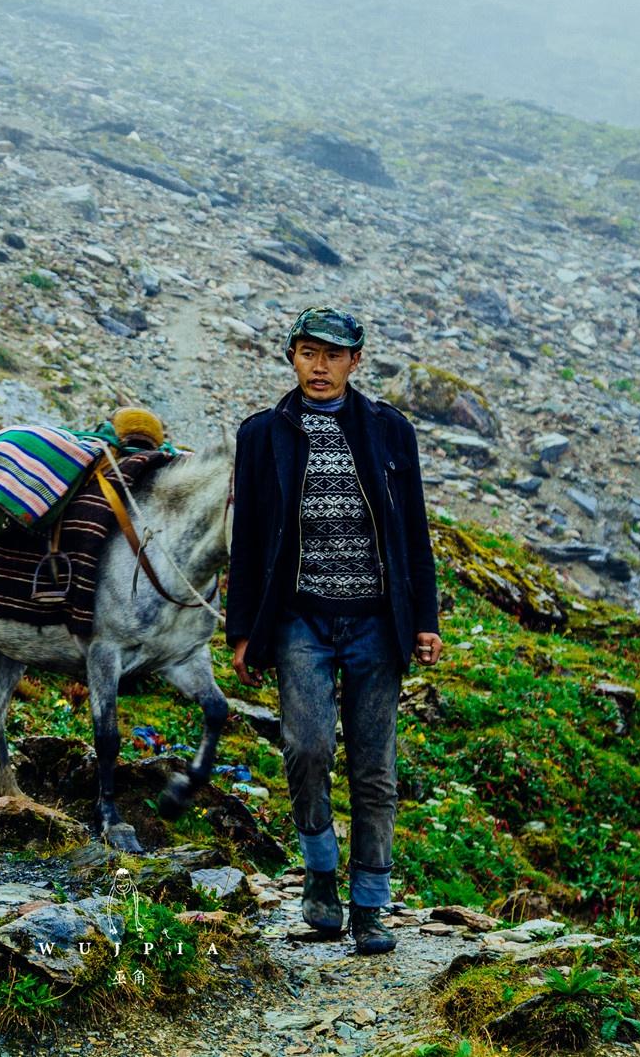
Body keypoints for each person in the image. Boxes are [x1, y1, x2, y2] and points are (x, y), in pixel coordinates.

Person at [226, 306, 443, 955]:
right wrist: (243, 629)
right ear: (292, 357)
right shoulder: (262, 434)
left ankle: (370, 907)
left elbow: (413, 532)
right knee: (309, 747)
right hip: (301, 619)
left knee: (374, 768)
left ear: (356, 361)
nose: (319, 367)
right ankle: (321, 877)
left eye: (333, 354)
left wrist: (425, 619)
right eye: (307, 353)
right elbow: (250, 540)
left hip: (377, 622)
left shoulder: (389, 430)